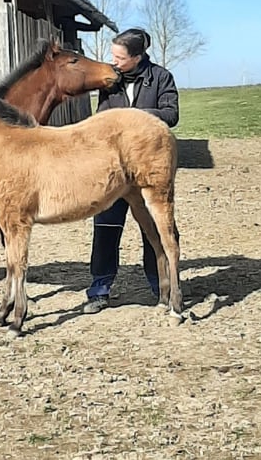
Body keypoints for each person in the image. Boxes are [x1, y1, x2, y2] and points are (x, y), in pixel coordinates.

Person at [84, 28, 180, 314]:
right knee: (105, 228)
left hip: (147, 166)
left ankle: (160, 284)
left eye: (120, 57)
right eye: (112, 55)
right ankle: (99, 289)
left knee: (154, 226)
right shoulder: (110, 82)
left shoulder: (161, 77)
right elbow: (102, 118)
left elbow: (171, 114)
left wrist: (135, 119)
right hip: (114, 169)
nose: (113, 61)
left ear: (138, 57)